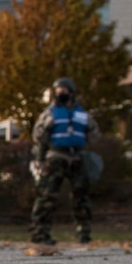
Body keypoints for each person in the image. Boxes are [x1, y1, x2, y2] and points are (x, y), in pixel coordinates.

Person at [29, 76, 93, 245]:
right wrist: (40, 159)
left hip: (77, 157)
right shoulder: (49, 113)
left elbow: (94, 135)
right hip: (56, 157)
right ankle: (40, 233)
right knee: (47, 196)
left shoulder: (82, 114)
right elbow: (38, 137)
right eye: (57, 91)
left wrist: (90, 129)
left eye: (64, 90)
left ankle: (84, 233)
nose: (60, 94)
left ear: (72, 93)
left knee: (81, 197)